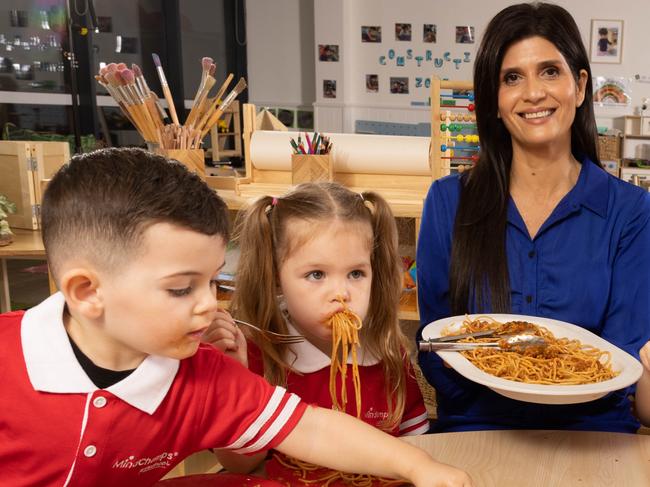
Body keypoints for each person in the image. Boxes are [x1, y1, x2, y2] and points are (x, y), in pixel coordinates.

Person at [0, 148, 472, 487]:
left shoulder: (207, 376)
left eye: (212, 283)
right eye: (182, 289)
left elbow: (310, 427)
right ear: (88, 292)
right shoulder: (9, 362)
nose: (209, 305)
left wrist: (420, 468)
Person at [416, 2, 650, 433]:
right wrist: (494, 406)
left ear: (579, 87)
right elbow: (435, 341)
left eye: (550, 71)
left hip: (594, 434)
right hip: (478, 429)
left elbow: (625, 355)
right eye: (511, 78)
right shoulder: (448, 202)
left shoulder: (631, 211)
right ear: (494, 102)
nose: (533, 93)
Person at [205, 182, 453, 485]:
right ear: (277, 278)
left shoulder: (387, 353)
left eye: (356, 273)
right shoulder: (260, 355)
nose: (341, 293)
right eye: (316, 275)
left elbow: (417, 443)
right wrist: (232, 381)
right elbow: (240, 465)